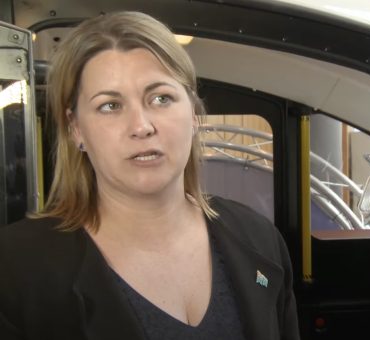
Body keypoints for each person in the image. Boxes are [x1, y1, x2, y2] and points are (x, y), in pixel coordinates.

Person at [0, 11, 299, 340]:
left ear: (195, 115)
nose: (142, 126)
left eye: (161, 98)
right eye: (110, 106)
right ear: (76, 129)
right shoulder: (14, 269)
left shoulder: (259, 239)